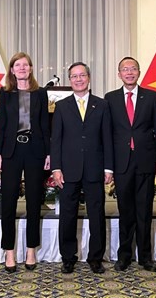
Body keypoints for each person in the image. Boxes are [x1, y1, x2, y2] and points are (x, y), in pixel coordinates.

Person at [104, 57, 156, 272]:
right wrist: (108, 166)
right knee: (125, 211)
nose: (129, 73)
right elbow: (107, 134)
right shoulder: (110, 98)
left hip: (146, 160)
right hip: (121, 163)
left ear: (139, 72)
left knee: (144, 211)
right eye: (125, 69)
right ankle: (124, 256)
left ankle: (145, 257)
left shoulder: (151, 96)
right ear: (119, 74)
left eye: (133, 69)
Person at [51, 62, 113, 274]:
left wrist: (109, 168)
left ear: (88, 78)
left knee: (97, 213)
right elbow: (56, 139)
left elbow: (108, 139)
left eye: (82, 75)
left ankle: (95, 258)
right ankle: (68, 257)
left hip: (95, 168)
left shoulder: (102, 105)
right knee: (67, 214)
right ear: (70, 80)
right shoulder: (61, 106)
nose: (78, 79)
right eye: (74, 76)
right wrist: (56, 168)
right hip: (68, 169)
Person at [0, 52, 50, 273]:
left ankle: (30, 250)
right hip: (11, 151)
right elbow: (1, 125)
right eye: (18, 65)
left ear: (31, 68)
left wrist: (48, 153)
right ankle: (9, 251)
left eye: (26, 65)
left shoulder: (40, 93)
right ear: (12, 69)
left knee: (34, 201)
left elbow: (45, 125)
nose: (22, 68)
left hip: (35, 151)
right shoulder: (5, 93)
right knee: (8, 202)